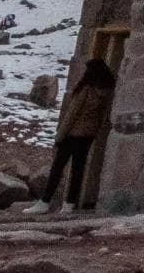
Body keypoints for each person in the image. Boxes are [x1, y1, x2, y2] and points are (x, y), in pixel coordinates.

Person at [43, 59, 115, 212]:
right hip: (87, 136)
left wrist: (59, 136)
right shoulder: (107, 92)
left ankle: (45, 201)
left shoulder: (85, 89)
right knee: (78, 170)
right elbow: (102, 117)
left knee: (57, 168)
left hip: (72, 134)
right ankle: (70, 203)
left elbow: (71, 115)